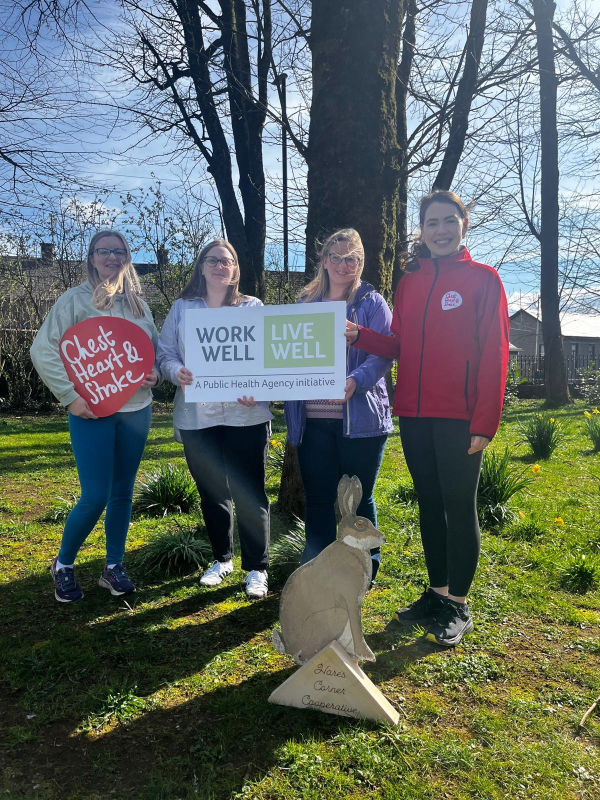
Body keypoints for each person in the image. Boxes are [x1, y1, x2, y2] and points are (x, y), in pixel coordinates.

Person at [346, 191, 509, 646]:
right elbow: (398, 343)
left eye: (448, 221)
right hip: (415, 416)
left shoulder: (484, 280)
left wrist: (485, 421)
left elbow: (495, 354)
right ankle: (436, 593)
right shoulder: (410, 282)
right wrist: (362, 335)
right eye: (431, 223)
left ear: (464, 224)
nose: (440, 230)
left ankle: (458, 604)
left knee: (459, 507)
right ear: (421, 230)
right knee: (430, 506)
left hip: (460, 418)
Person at [30, 231, 159, 603]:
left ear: (127, 258)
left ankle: (113, 566)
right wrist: (70, 398)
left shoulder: (137, 304)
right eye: (105, 251)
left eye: (119, 252)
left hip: (137, 410)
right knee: (95, 495)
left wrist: (154, 374)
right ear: (92, 257)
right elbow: (44, 350)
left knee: (122, 493)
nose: (112, 258)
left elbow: (149, 351)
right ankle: (64, 565)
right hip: (92, 412)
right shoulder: (74, 300)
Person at [156, 240, 272, 599]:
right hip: (197, 416)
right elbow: (165, 354)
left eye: (228, 261)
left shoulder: (253, 307)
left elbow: (269, 358)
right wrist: (178, 373)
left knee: (250, 492)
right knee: (212, 492)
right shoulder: (182, 308)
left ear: (236, 269)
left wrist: (261, 389)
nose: (221, 266)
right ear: (202, 267)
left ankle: (257, 569)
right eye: (214, 260)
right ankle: (222, 560)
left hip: (246, 414)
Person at [285, 228, 393, 579]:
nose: (344, 265)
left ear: (360, 262)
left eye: (352, 259)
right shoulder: (305, 304)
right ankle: (315, 565)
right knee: (317, 498)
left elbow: (383, 355)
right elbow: (285, 356)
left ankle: (365, 567)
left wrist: (355, 381)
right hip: (312, 420)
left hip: (360, 422)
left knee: (358, 499)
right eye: (337, 257)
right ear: (325, 260)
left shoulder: (372, 303)